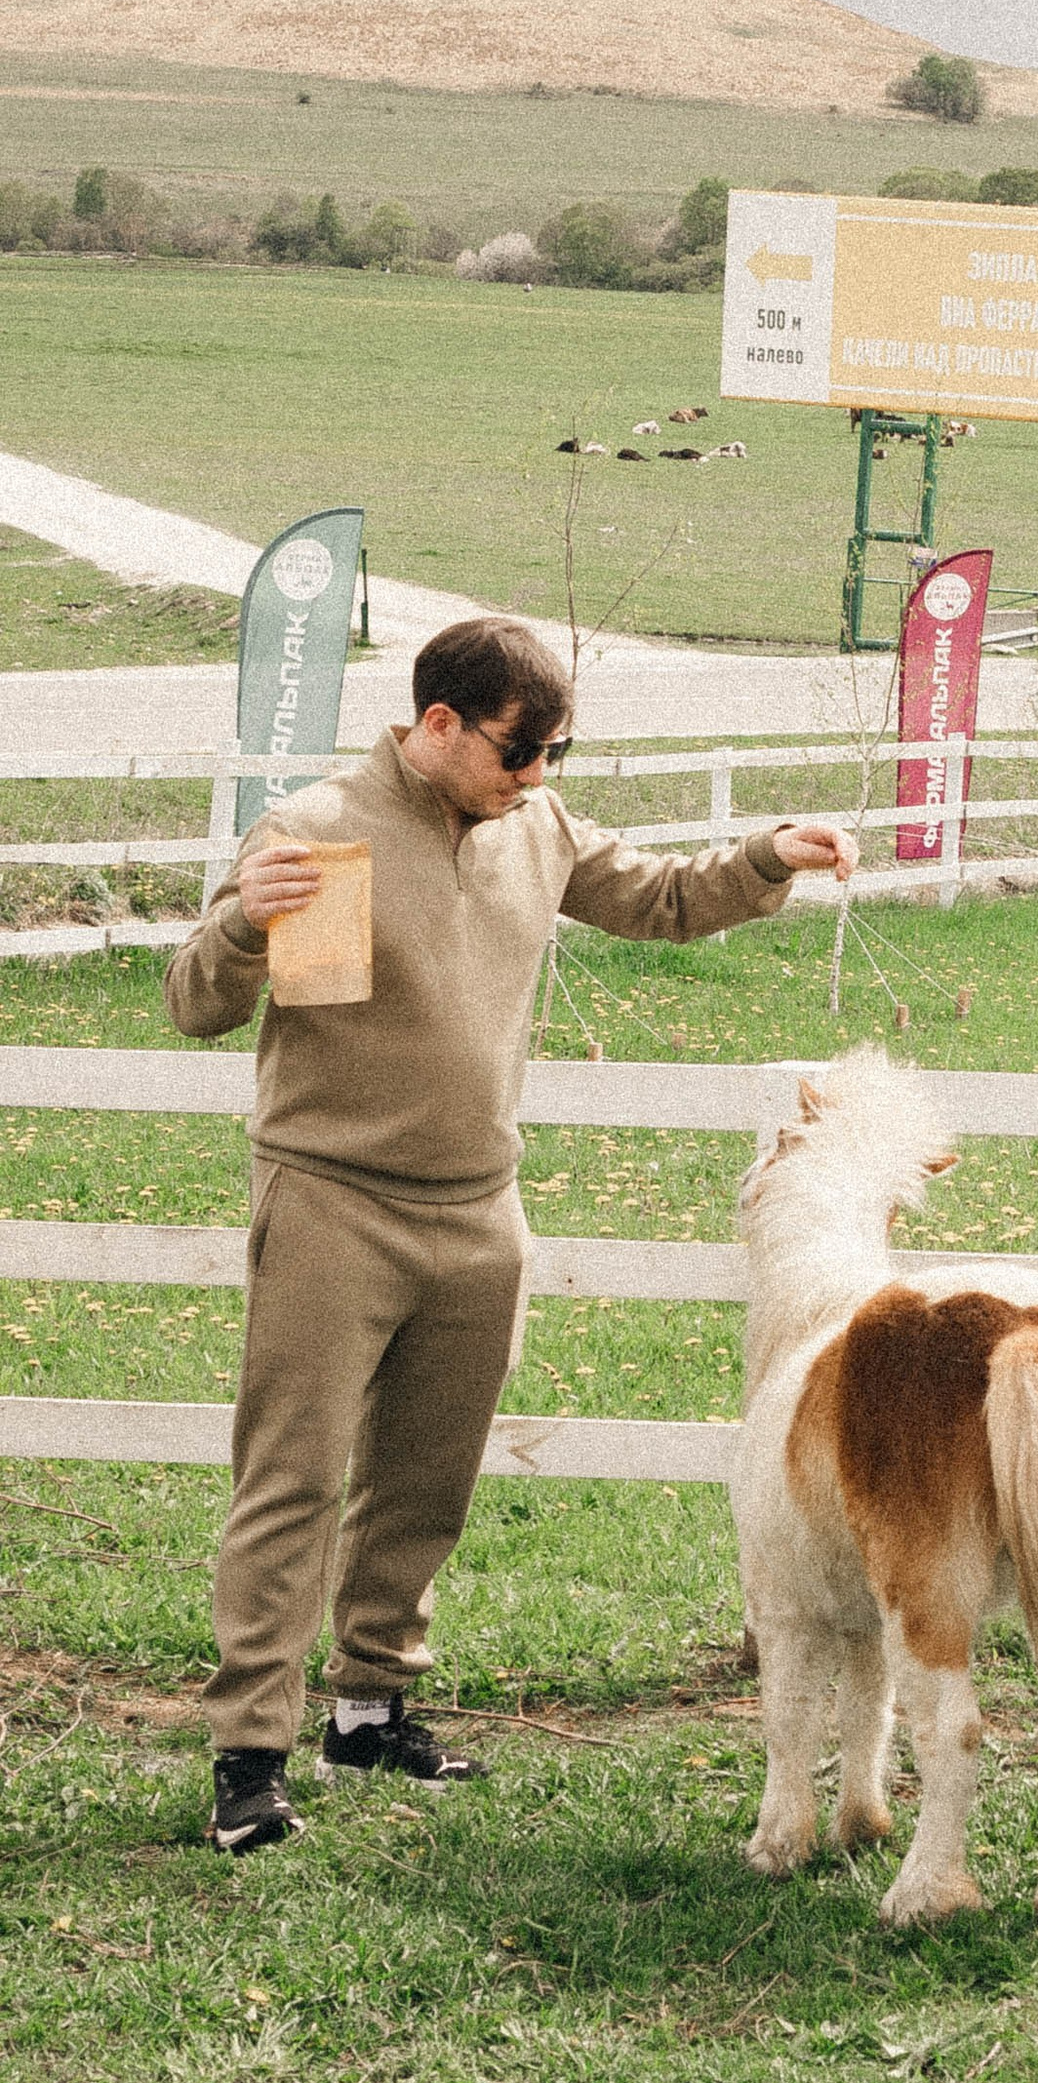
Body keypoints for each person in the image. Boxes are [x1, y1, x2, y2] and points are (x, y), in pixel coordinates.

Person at [164, 612, 856, 1854]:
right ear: (438, 725)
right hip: (331, 1203)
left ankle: (369, 1710)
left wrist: (766, 857)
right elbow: (195, 1007)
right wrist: (238, 929)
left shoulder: (533, 825)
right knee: (293, 1482)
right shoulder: (319, 835)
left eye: (557, 755)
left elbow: (659, 897)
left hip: (480, 1209)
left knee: (426, 1480)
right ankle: (249, 1759)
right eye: (519, 750)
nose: (537, 777)